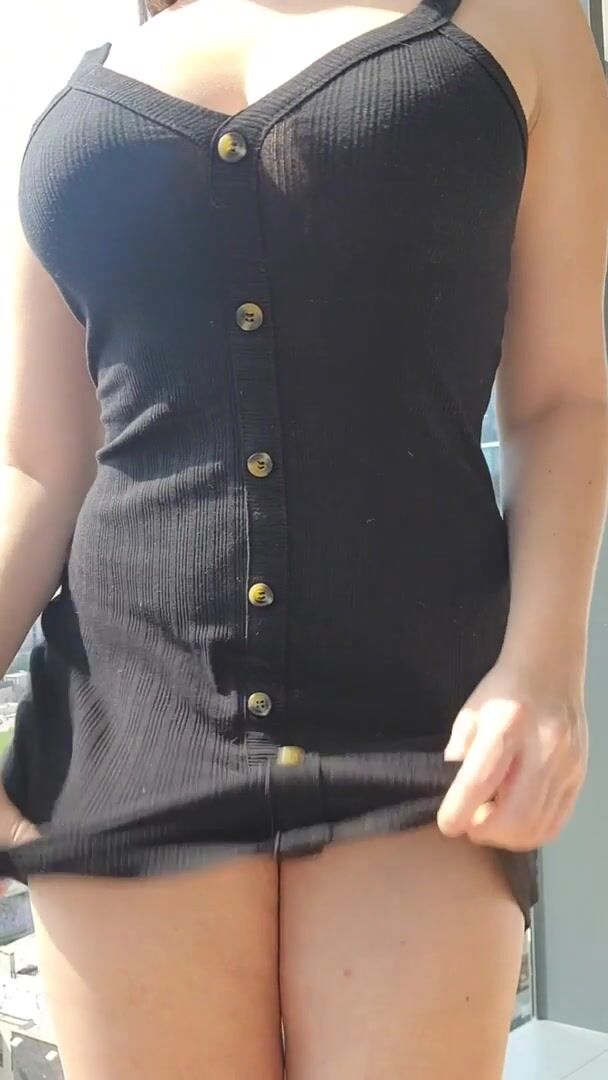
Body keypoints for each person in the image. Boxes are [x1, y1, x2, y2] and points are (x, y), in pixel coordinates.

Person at [1, 0, 606, 1076]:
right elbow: (39, 468)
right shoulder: (87, 80)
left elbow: (563, 397)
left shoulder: (521, 23)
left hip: (422, 725)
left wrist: (545, 671)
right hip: (120, 730)